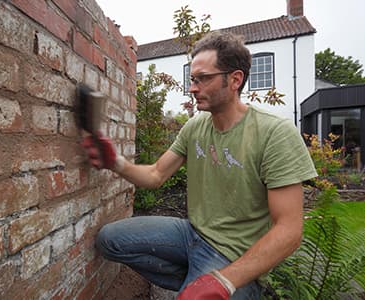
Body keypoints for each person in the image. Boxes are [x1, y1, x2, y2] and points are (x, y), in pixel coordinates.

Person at [81, 31, 317, 299]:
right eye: (193, 79)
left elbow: (289, 230)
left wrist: (223, 281)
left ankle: (232, 286)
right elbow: (156, 174)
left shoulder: (274, 133)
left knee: (210, 288)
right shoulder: (196, 125)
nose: (193, 87)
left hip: (234, 254)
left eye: (203, 79)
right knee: (110, 241)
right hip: (191, 234)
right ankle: (196, 281)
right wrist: (114, 162)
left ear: (235, 80)